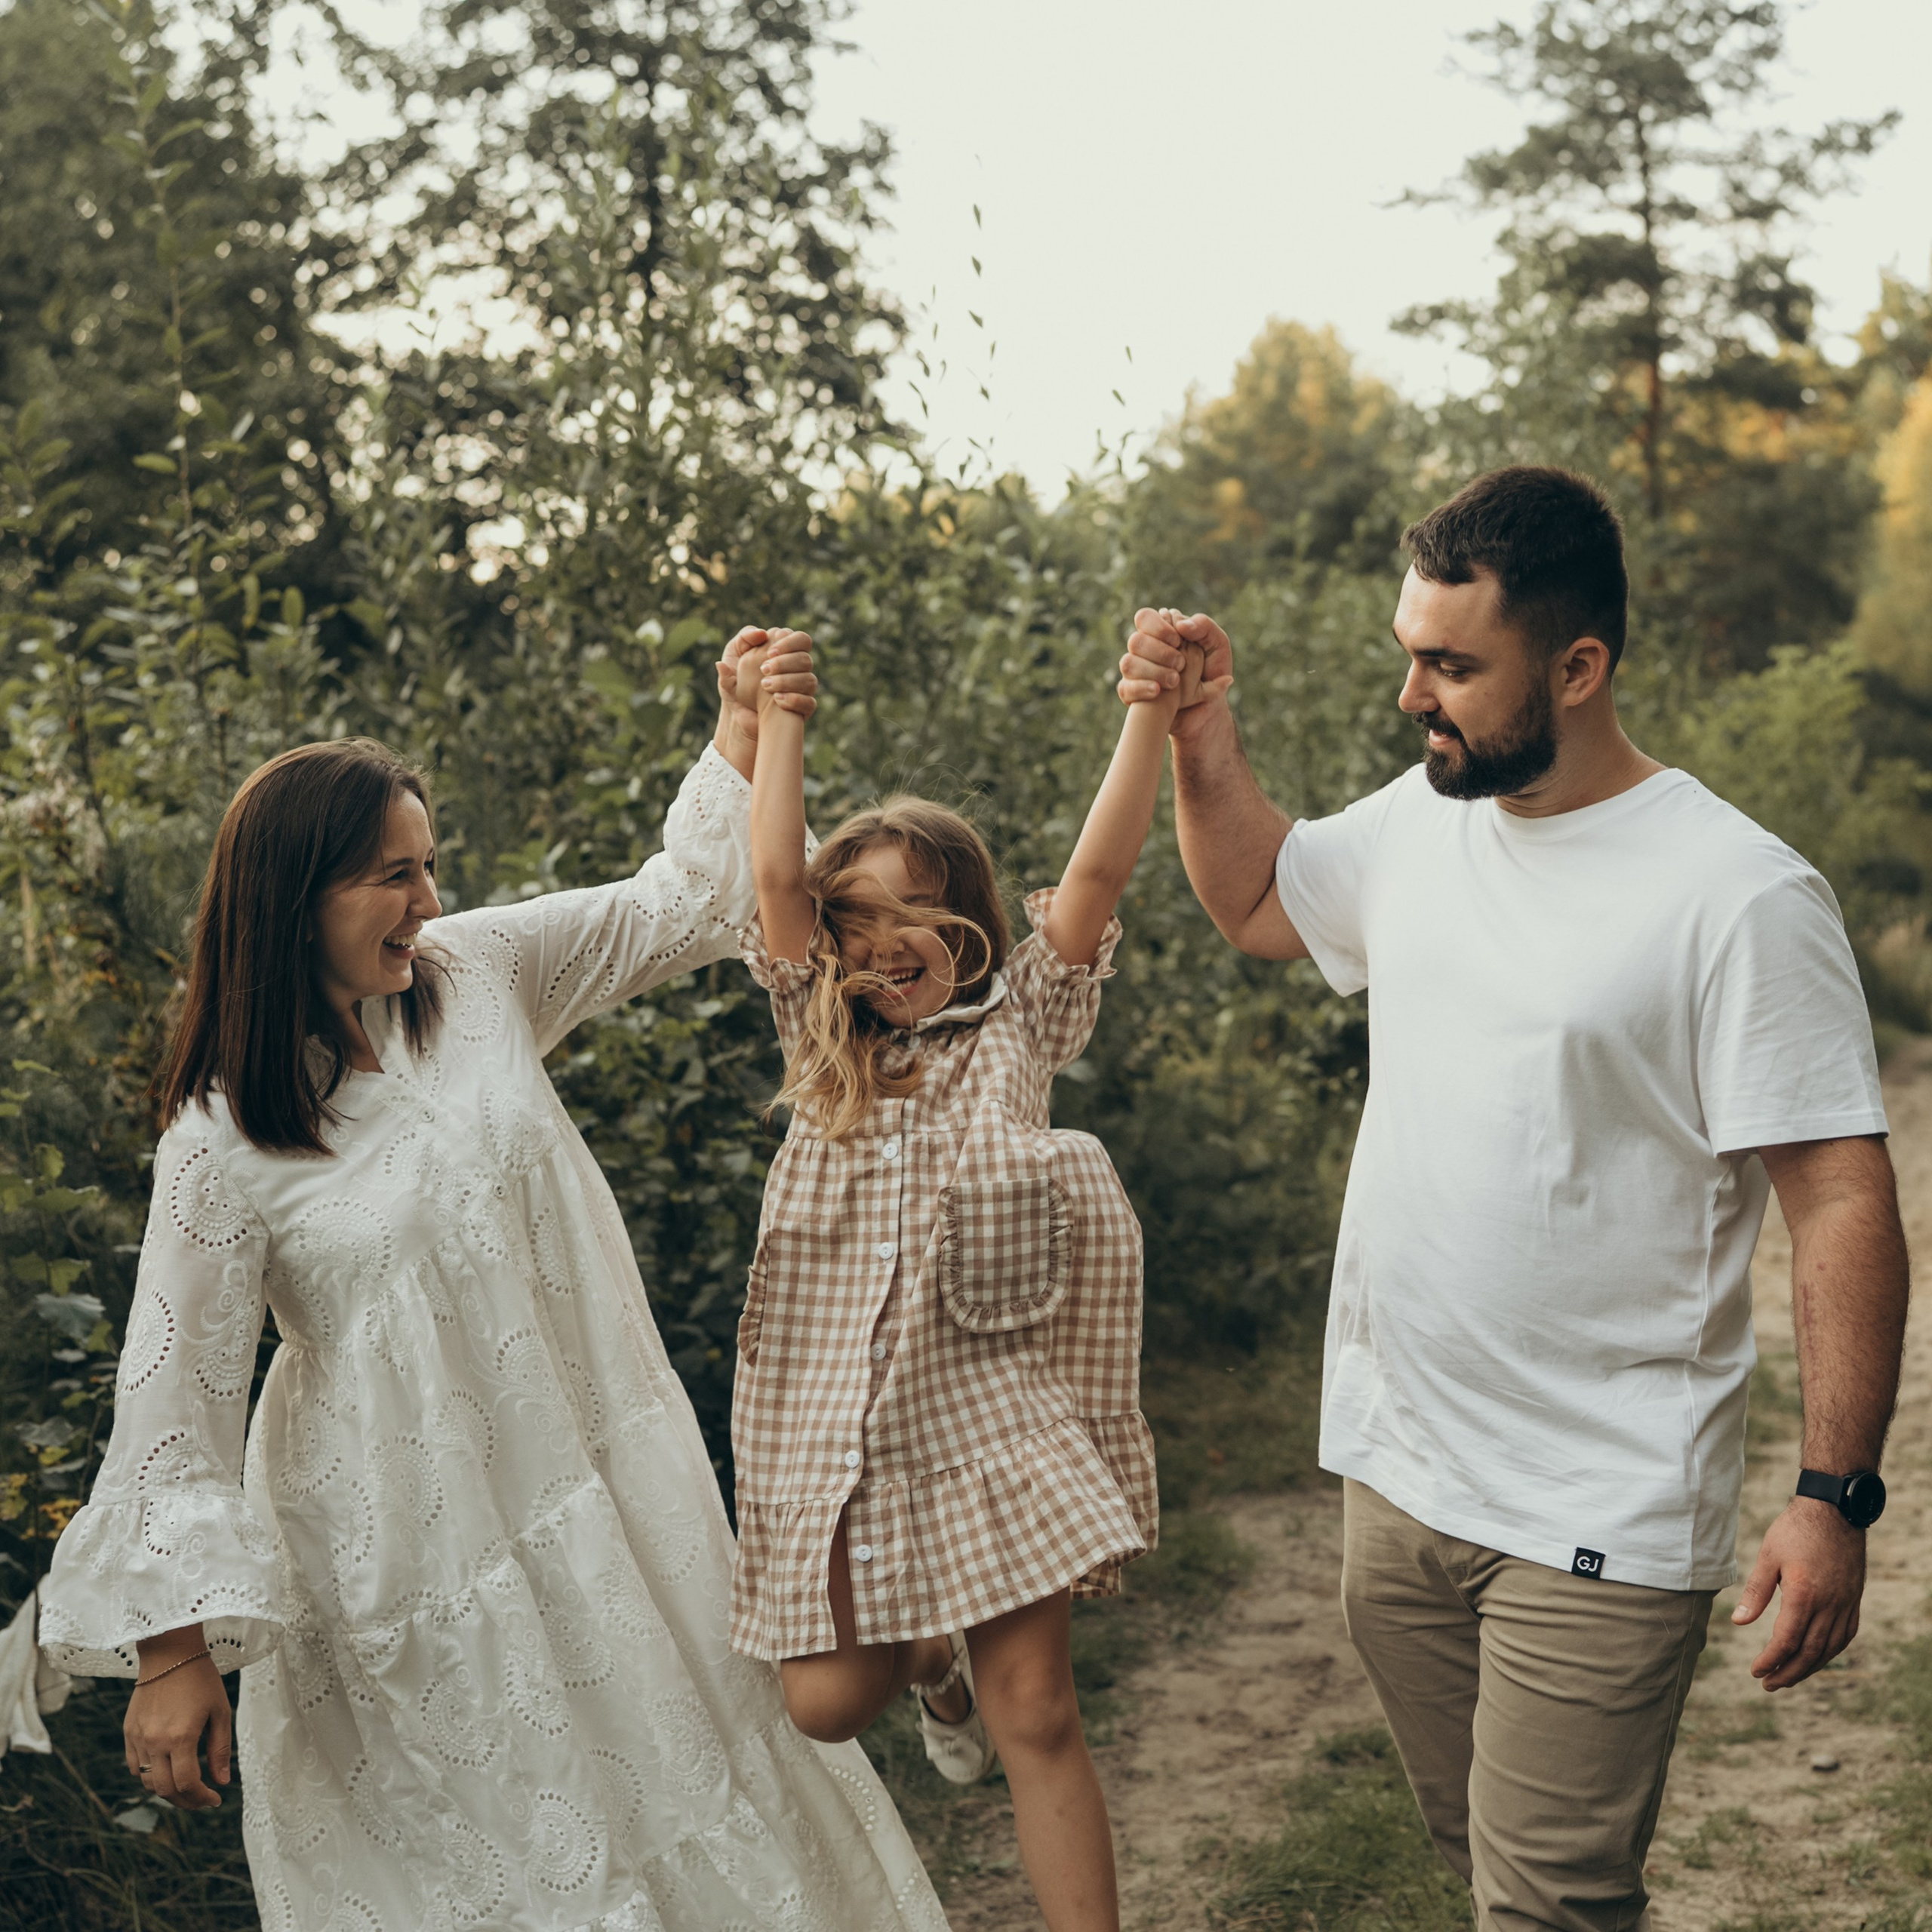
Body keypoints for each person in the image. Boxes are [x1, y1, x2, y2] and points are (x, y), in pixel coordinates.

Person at [39, 632, 949, 1932]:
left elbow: (674, 908)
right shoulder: (222, 1135)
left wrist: (742, 731)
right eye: (391, 878)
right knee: (516, 1858)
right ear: (296, 898)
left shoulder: (477, 976)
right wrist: (172, 1657)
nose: (424, 900)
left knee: (695, 1784)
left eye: (428, 869)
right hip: (408, 1564)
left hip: (606, 1491)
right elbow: (175, 1396)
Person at [1116, 466, 1910, 1932]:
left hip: (1596, 1495)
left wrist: (1830, 1496)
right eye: (1407, 653)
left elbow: (1840, 1195)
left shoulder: (1734, 892)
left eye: (1450, 664)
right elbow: (1256, 904)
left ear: (1578, 665)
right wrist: (1199, 736)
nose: (1412, 695)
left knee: (1541, 1899)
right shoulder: (1428, 815)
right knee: (1479, 1853)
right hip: (1397, 1468)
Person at [726, 629, 1189, 1932]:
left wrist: (1147, 710)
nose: (885, 941)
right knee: (821, 1706)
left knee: (1037, 1708)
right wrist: (777, 718)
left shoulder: (1018, 1028)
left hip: (992, 1404)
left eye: (917, 910)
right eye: (854, 914)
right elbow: (771, 866)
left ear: (974, 928)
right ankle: (932, 1663)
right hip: (844, 1428)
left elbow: (1097, 868)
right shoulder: (817, 1040)